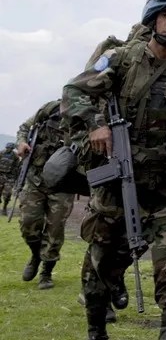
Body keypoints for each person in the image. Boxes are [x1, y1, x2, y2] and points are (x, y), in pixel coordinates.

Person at [62, 0, 166, 340]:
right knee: (101, 263)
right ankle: (96, 330)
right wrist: (97, 125)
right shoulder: (123, 58)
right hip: (117, 183)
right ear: (153, 19)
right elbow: (75, 91)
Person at [15, 100, 76, 290]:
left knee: (55, 229)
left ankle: (46, 272)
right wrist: (22, 143)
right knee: (28, 223)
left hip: (63, 183)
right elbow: (24, 128)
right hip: (36, 178)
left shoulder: (84, 116)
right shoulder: (49, 110)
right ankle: (35, 254)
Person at [0, 141, 19, 216]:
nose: (8, 149)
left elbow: (17, 167)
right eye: (7, 148)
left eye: (10, 148)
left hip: (9, 177)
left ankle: (4, 207)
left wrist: (15, 177)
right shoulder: (1, 153)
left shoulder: (15, 156)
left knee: (7, 193)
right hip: (0, 175)